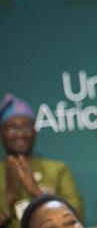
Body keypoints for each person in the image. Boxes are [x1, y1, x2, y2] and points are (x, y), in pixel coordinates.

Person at [0, 95, 82, 228]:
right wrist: (9, 195)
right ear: (1, 133)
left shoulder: (57, 169)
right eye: (11, 128)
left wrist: (37, 192)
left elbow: (77, 216)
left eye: (26, 127)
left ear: (35, 131)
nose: (20, 133)